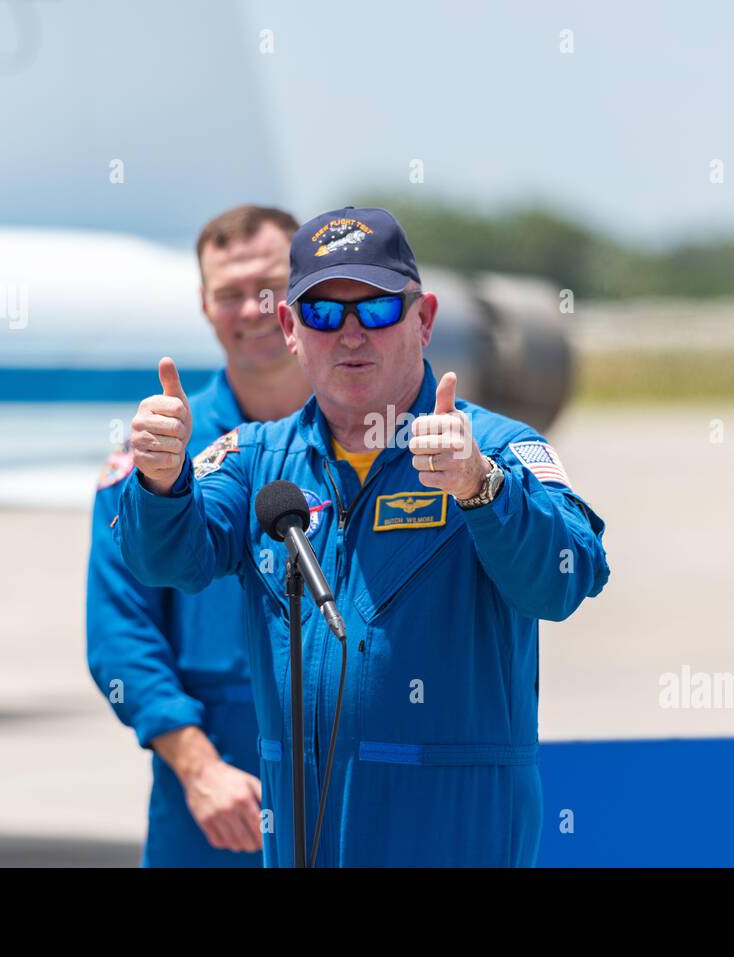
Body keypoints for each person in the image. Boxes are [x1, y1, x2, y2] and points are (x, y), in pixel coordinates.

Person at [117, 206, 610, 866]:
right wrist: (157, 481)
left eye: (376, 309)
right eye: (324, 312)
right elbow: (166, 560)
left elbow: (566, 577)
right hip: (309, 839)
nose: (351, 334)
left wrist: (482, 488)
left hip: (454, 838)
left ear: (424, 319)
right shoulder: (257, 458)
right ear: (291, 328)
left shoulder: (494, 448)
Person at [86, 204, 310, 866]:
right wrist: (197, 765)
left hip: (360, 766)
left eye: (269, 289)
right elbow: (118, 628)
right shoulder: (155, 455)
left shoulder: (362, 442)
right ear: (204, 305)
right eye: (230, 294)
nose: (252, 310)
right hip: (216, 788)